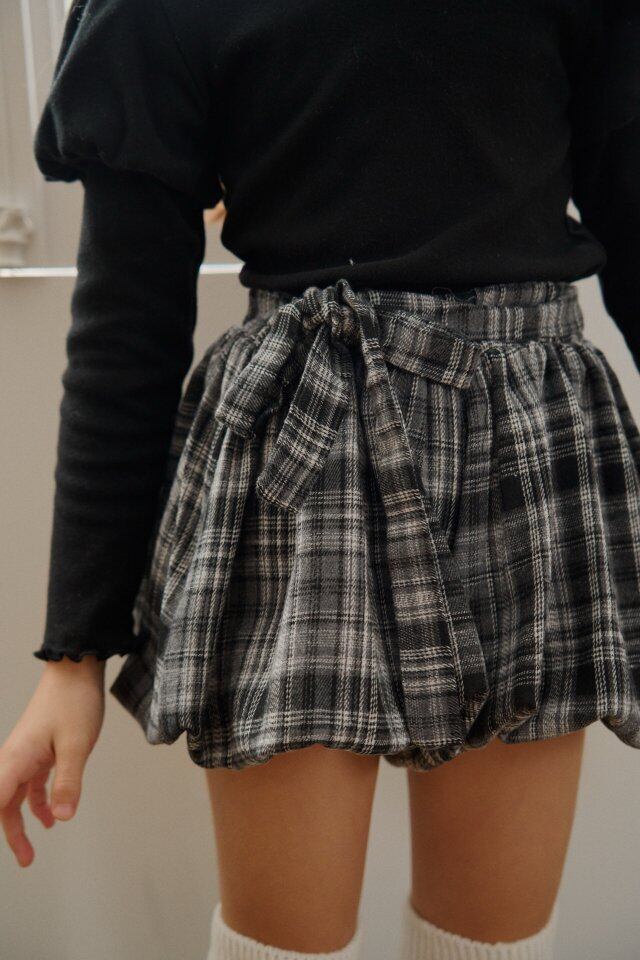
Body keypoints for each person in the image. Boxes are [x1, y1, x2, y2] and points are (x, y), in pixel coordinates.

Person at [1, 1, 639, 958]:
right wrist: (73, 654)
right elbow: (125, 326)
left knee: (493, 946)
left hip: (525, 454)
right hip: (300, 463)